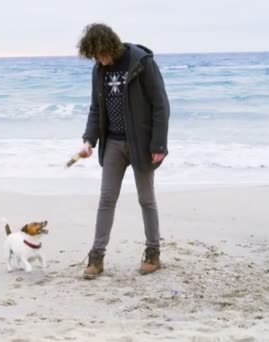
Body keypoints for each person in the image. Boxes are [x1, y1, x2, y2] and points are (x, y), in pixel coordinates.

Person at [76, 23, 170, 279]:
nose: (99, 61)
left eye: (99, 54)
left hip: (142, 143)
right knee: (106, 198)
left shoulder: (142, 62)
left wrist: (159, 145)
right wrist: (89, 140)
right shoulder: (99, 70)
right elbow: (96, 108)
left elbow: (160, 104)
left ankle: (153, 253)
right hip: (113, 144)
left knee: (146, 199)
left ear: (108, 46)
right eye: (94, 57)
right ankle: (97, 257)